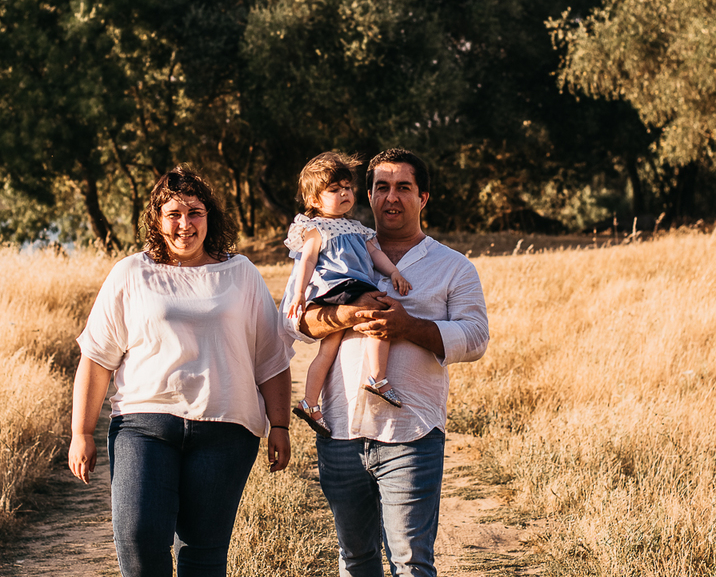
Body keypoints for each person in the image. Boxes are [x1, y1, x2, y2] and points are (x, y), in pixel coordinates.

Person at [70, 166, 294, 577]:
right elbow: (97, 358)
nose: (185, 224)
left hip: (225, 430)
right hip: (144, 424)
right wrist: (81, 433)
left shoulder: (240, 273)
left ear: (210, 217)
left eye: (195, 212)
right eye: (174, 213)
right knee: (138, 539)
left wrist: (279, 424)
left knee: (203, 555)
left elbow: (271, 357)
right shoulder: (130, 273)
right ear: (157, 219)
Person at [282, 149, 489, 577]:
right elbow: (295, 321)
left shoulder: (453, 266)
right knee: (354, 560)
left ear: (424, 197)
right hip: (338, 430)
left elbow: (474, 338)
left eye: (404, 188)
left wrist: (408, 326)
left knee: (411, 563)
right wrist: (347, 315)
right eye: (381, 187)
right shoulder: (331, 246)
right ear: (370, 195)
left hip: (410, 430)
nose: (391, 197)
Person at [285, 152, 412, 439]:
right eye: (334, 190)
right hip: (340, 287)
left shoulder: (357, 228)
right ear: (314, 200)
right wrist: (298, 294)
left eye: (347, 188)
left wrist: (394, 272)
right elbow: (306, 262)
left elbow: (375, 254)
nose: (344, 193)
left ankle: (310, 403)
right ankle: (378, 379)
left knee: (329, 348)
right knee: (381, 314)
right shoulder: (316, 228)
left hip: (349, 288)